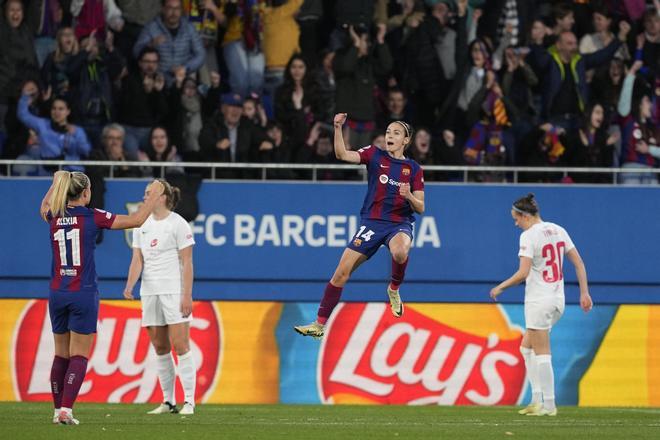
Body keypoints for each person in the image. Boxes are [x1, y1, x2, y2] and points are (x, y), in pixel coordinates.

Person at [41, 171, 164, 425]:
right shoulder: (92, 216)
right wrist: (154, 194)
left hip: (57, 292)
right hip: (82, 293)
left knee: (60, 354)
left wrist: (55, 182)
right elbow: (138, 220)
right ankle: (66, 410)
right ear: (86, 193)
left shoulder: (54, 215)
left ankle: (56, 412)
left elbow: (44, 206)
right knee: (79, 356)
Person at [294, 113, 425, 338]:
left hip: (398, 223)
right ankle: (318, 325)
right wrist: (337, 127)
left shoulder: (413, 169)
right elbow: (342, 154)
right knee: (340, 274)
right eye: (388, 132)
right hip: (372, 223)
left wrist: (410, 197)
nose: (389, 136)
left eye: (396, 133)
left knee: (401, 251)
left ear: (406, 140)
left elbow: (421, 207)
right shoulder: (374, 155)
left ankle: (393, 289)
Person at [489, 193, 593, 417]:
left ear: (525, 216)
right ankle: (536, 399)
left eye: (516, 218)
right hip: (557, 300)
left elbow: (523, 273)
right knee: (526, 348)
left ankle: (549, 405)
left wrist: (500, 287)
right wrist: (584, 292)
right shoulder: (558, 229)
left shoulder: (528, 236)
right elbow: (579, 263)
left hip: (539, 300)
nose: (515, 223)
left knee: (542, 353)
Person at [123, 179, 196, 416]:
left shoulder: (179, 224)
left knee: (180, 345)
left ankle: (189, 402)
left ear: (162, 196)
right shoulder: (140, 225)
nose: (145, 197)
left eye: (149, 193)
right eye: (145, 193)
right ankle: (168, 401)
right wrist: (130, 285)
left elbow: (187, 263)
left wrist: (187, 295)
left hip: (173, 291)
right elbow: (138, 259)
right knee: (160, 346)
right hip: (149, 291)